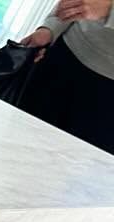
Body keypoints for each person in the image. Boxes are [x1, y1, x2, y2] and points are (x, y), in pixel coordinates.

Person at [20, 0, 114, 153]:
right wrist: (50, 28)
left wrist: (109, 10)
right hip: (62, 55)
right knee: (17, 142)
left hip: (107, 99)